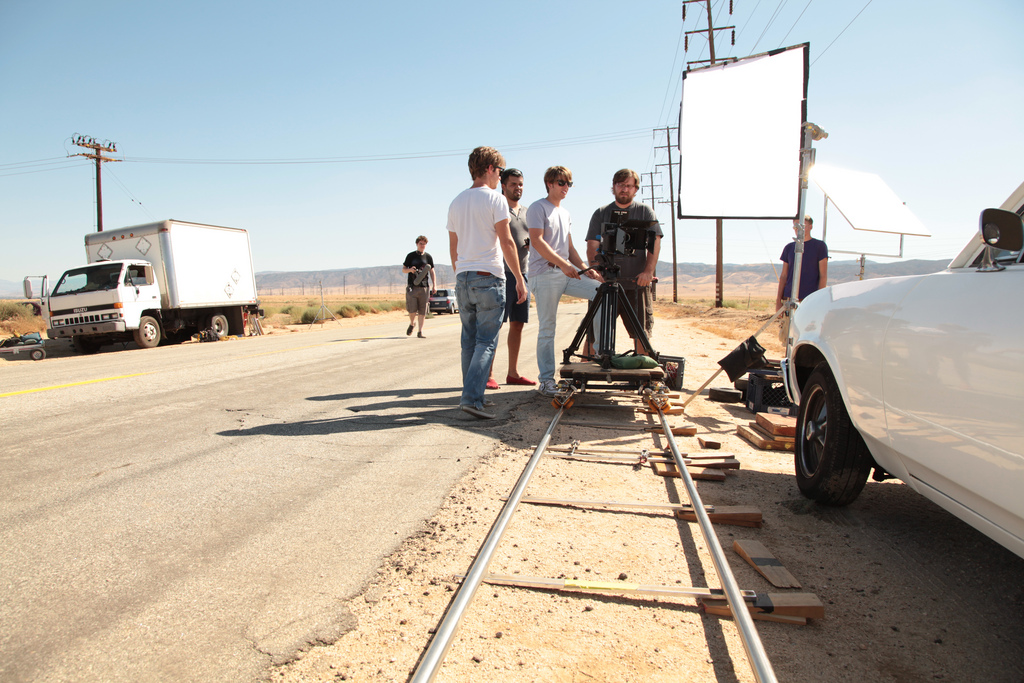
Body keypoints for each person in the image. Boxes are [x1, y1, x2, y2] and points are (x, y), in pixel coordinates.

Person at [447, 146, 527, 420]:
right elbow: (506, 242)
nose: (500, 176)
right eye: (501, 171)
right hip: (488, 277)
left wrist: (462, 273)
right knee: (486, 341)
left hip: (463, 277)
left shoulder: (456, 201)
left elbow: (453, 247)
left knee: (468, 341)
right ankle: (470, 398)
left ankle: (474, 396)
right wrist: (518, 278)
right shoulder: (495, 199)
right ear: (491, 169)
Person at [527, 165, 603, 398]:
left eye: (569, 183)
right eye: (561, 182)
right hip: (545, 273)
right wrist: (563, 264)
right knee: (548, 328)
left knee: (602, 291)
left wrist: (584, 269)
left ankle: (601, 355)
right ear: (549, 183)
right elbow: (537, 241)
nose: (565, 187)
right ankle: (547, 380)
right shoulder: (537, 207)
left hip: (566, 272)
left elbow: (569, 247)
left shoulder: (565, 213)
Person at [585, 168, 662, 354]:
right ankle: (585, 373)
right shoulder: (601, 213)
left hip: (636, 283)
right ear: (614, 187)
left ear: (635, 189)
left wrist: (648, 272)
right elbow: (592, 245)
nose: (624, 189)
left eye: (629, 186)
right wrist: (596, 270)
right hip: (606, 283)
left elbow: (654, 243)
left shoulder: (645, 212)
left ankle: (641, 377)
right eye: (620, 185)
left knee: (641, 335)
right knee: (593, 336)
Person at [485, 168, 536, 389]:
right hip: (500, 273)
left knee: (517, 324)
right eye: (513, 184)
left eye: (521, 184)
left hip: (523, 274)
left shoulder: (528, 212)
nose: (518, 188)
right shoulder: (497, 207)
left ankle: (513, 373)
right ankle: (488, 374)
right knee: (495, 325)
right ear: (503, 185)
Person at [775, 215, 828, 311]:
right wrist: (778, 301)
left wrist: (819, 300)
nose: (797, 228)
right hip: (789, 298)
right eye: (795, 226)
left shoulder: (819, 246)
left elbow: (823, 275)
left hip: (810, 299)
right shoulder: (789, 248)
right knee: (788, 326)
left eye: (801, 225)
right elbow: (784, 275)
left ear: (810, 226)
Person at [402, 235, 434, 338]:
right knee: (412, 310)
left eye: (424, 244)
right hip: (412, 286)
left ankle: (420, 331)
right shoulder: (411, 256)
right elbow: (403, 269)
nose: (422, 246)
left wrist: (435, 285)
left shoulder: (428, 257)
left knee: (422, 310)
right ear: (417, 244)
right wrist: (410, 270)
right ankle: (412, 323)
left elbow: (432, 271)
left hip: (424, 287)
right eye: (421, 244)